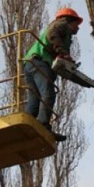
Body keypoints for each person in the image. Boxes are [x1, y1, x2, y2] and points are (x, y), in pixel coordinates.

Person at [23, 8, 83, 142]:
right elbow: (53, 34)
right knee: (48, 93)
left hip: (30, 63)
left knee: (35, 96)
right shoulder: (61, 25)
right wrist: (62, 52)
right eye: (76, 24)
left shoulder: (66, 37)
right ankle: (42, 125)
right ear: (68, 20)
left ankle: (28, 124)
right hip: (40, 61)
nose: (77, 28)